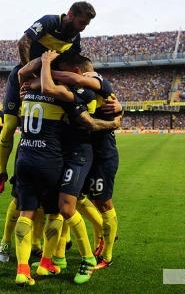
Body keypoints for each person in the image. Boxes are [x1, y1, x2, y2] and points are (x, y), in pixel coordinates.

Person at [13, 50, 121, 286]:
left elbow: (88, 120)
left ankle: (90, 258)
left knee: (68, 205)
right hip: (62, 153)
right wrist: (38, 77)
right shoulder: (56, 90)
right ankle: (56, 259)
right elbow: (29, 78)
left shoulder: (89, 86)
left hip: (82, 154)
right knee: (70, 204)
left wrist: (45, 67)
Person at [0, 1, 96, 194]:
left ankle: (32, 172)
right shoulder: (49, 22)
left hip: (46, 80)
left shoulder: (75, 37)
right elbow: (23, 43)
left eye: (86, 25)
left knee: (42, 129)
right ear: (70, 15)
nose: (83, 28)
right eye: (81, 22)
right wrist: (30, 77)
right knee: (9, 125)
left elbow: (69, 62)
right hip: (23, 76)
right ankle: (1, 172)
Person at [52, 66, 124, 270]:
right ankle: (97, 236)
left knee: (104, 203)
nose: (86, 80)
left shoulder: (101, 87)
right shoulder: (87, 94)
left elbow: (102, 119)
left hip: (103, 156)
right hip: (84, 156)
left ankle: (107, 255)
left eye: (87, 77)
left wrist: (47, 70)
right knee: (79, 199)